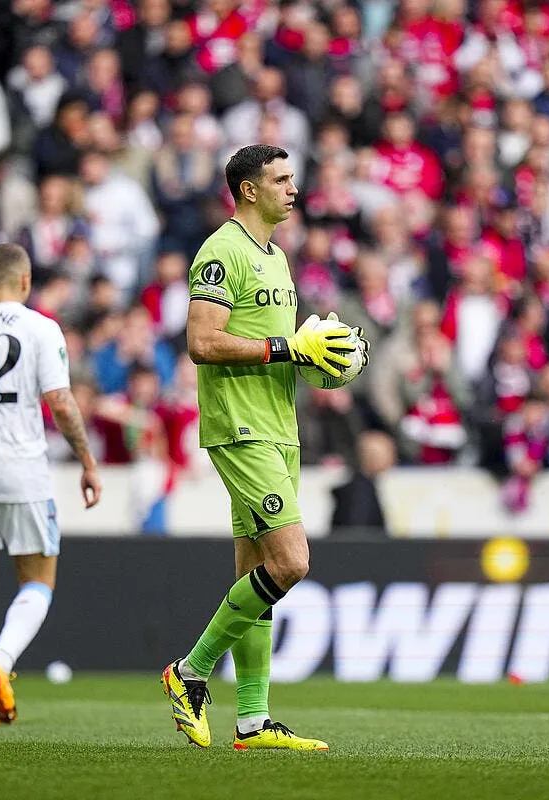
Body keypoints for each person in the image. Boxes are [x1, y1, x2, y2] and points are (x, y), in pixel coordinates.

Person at [161, 144, 365, 751]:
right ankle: (191, 672)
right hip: (240, 426)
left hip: (279, 425)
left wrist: (320, 363)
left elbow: (281, 348)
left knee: (255, 570)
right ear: (249, 190)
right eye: (280, 180)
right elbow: (202, 341)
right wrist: (287, 351)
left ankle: (252, 720)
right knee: (292, 562)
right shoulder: (221, 252)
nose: (292, 189)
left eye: (293, 178)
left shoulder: (276, 258)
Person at [0, 243, 103, 727]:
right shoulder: (42, 327)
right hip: (25, 471)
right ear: (25, 282)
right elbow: (62, 403)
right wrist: (87, 460)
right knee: (38, 582)